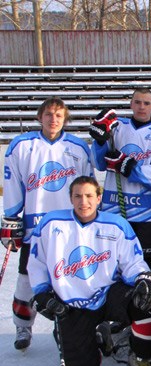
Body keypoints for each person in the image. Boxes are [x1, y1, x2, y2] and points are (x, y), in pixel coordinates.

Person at [27, 176, 151, 366]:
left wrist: (143, 278)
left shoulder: (116, 225)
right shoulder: (51, 224)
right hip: (70, 302)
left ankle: (141, 358)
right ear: (70, 198)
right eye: (78, 196)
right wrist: (42, 293)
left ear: (99, 198)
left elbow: (132, 262)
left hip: (107, 293)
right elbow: (36, 263)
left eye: (89, 196)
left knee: (147, 301)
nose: (84, 202)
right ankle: (97, 338)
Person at [1, 97, 93, 352]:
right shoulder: (22, 145)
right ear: (39, 117)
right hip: (35, 229)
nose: (54, 119)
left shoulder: (78, 147)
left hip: (69, 227)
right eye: (49, 114)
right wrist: (11, 217)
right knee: (26, 279)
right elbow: (12, 183)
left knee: (70, 277)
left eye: (59, 115)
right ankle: (23, 326)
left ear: (66, 120)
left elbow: (88, 186)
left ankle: (70, 327)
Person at [89, 88, 151, 271]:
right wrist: (100, 141)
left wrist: (127, 166)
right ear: (131, 104)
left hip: (147, 216)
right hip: (113, 211)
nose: (142, 107)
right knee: (110, 266)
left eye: (146, 103)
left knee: (147, 268)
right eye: (138, 102)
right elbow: (98, 163)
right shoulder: (116, 128)